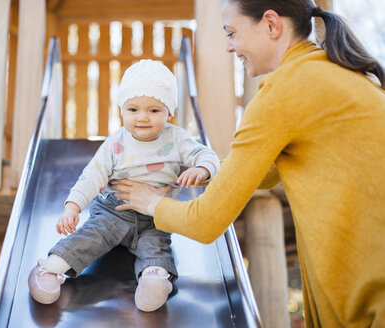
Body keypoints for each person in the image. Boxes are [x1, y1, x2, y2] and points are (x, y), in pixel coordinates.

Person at [111, 1, 385, 326]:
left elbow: (206, 221)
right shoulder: (337, 75)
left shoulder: (285, 90)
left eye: (232, 33)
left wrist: (152, 201)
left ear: (271, 24)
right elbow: (264, 173)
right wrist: (190, 171)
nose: (228, 46)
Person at [28, 59, 220, 312]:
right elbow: (92, 176)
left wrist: (201, 168)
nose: (142, 117)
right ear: (122, 110)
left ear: (169, 112)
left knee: (158, 247)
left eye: (154, 110)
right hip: (113, 212)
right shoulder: (116, 143)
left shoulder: (177, 139)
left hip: (156, 218)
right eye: (133, 110)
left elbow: (208, 156)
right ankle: (51, 269)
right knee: (90, 236)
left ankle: (154, 280)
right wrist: (72, 207)